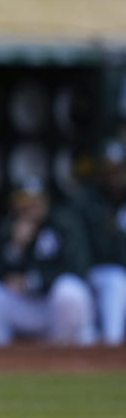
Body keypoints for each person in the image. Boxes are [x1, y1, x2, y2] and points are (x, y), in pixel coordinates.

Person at [0, 178, 95, 346]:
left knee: (70, 290)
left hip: (53, 306)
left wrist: (32, 281)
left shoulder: (64, 223)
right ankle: (4, 350)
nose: (30, 207)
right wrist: (16, 247)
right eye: (25, 202)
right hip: (23, 306)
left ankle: (62, 351)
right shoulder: (9, 226)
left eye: (35, 201)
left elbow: (77, 270)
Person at [72, 139, 126, 346]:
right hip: (96, 273)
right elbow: (81, 249)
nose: (117, 177)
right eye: (111, 171)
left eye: (120, 170)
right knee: (115, 279)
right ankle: (111, 348)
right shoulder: (87, 202)